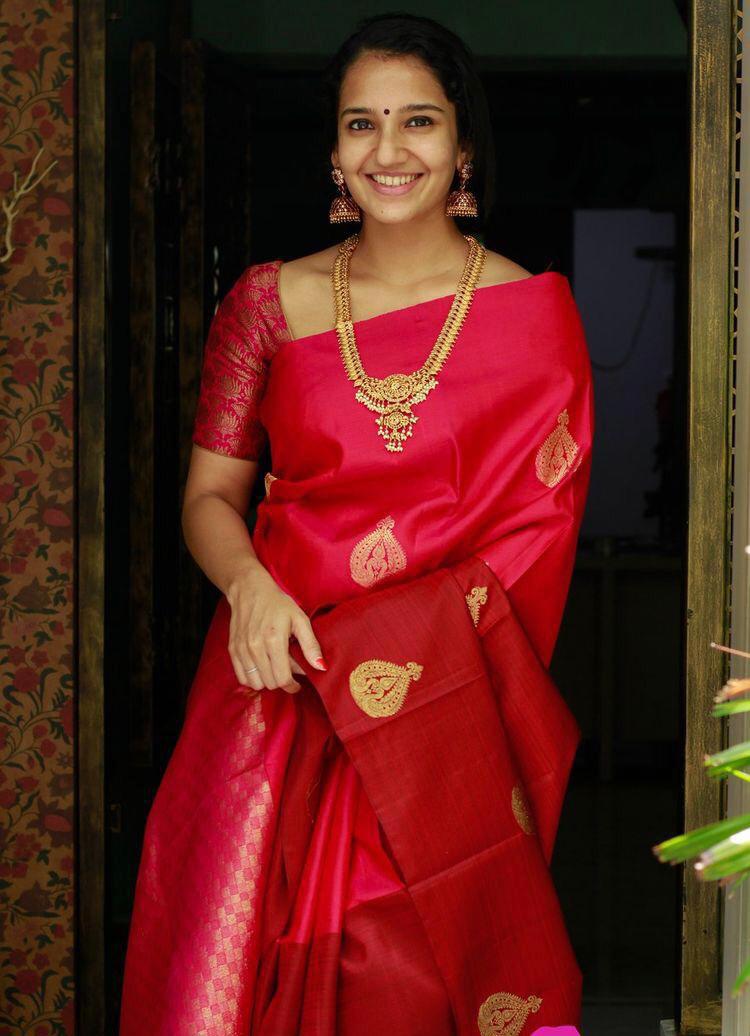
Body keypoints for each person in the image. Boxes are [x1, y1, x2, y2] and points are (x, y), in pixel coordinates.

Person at [119, 12, 594, 1036]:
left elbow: (532, 539)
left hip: (438, 722)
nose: (390, 151)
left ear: (462, 146)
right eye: (361, 125)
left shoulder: (530, 316)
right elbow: (209, 498)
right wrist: (249, 585)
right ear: (333, 151)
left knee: (408, 973)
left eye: (418, 121)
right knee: (230, 968)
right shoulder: (269, 304)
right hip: (273, 687)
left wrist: (386, 652)